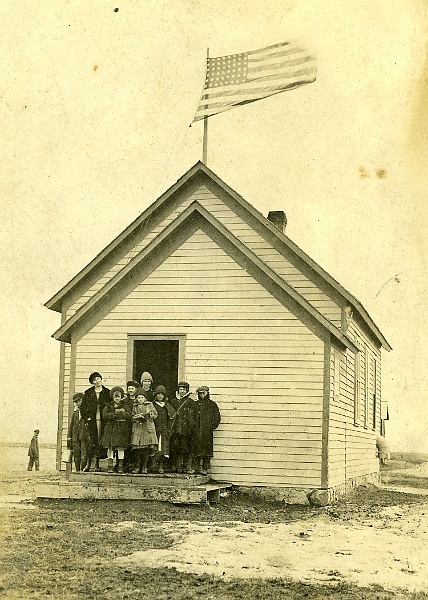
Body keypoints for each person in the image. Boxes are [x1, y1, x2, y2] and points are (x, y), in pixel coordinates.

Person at [81, 372, 110, 471]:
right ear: (92, 383)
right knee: (91, 441)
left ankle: (97, 464)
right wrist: (87, 418)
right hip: (92, 420)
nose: (97, 381)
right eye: (94, 380)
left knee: (100, 440)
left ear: (101, 379)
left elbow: (110, 406)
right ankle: (89, 464)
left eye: (98, 379)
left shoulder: (107, 392)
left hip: (103, 420)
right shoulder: (88, 393)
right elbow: (83, 408)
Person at [101, 386, 132, 473]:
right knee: (110, 448)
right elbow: (105, 416)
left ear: (121, 396)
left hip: (121, 430)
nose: (117, 399)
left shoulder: (125, 406)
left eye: (118, 396)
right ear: (112, 397)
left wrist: (122, 413)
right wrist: (114, 415)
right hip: (110, 429)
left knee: (120, 448)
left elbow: (129, 415)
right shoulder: (108, 406)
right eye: (115, 397)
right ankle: (110, 466)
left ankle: (120, 466)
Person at [191, 386, 221, 475]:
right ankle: (195, 467)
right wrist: (194, 427)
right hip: (196, 431)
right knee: (196, 449)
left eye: (203, 393)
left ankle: (205, 468)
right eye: (200, 393)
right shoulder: (195, 405)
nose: (202, 395)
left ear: (207, 393)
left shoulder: (212, 405)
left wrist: (211, 427)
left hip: (207, 432)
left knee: (206, 449)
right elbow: (191, 417)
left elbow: (217, 418)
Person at [170, 381, 196, 474]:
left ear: (187, 391)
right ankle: (174, 466)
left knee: (185, 448)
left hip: (185, 429)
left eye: (184, 389)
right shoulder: (173, 401)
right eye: (180, 389)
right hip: (175, 429)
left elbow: (193, 416)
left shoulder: (190, 402)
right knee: (174, 447)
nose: (182, 391)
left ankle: (185, 466)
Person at [131, 387, 158, 474]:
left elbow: (155, 414)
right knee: (138, 450)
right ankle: (137, 467)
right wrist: (136, 417)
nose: (140, 399)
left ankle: (145, 467)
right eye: (138, 398)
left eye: (142, 397)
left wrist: (149, 415)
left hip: (147, 429)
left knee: (146, 450)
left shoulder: (150, 405)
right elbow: (132, 416)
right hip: (138, 429)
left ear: (145, 398)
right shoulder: (134, 406)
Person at [152, 385, 176, 474]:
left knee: (163, 449)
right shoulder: (153, 405)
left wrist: (169, 429)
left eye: (161, 394)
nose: (160, 396)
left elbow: (172, 417)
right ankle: (153, 466)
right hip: (155, 430)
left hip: (164, 431)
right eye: (158, 394)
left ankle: (161, 466)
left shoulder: (167, 406)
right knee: (155, 449)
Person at [67, 393, 91, 472]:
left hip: (84, 436)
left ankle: (81, 470)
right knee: (76, 454)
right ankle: (77, 470)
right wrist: (69, 437)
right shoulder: (75, 413)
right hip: (75, 437)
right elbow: (71, 425)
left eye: (79, 401)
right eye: (76, 402)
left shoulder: (87, 411)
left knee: (84, 454)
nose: (78, 403)